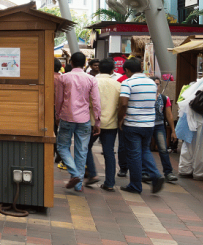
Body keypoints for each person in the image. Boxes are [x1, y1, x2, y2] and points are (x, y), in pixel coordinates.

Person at [54, 52, 101, 192]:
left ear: (71, 63)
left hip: (67, 118)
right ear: (85, 63)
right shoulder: (91, 79)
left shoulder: (64, 78)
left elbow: (59, 99)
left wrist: (57, 116)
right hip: (84, 119)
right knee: (82, 151)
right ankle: (78, 185)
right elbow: (96, 102)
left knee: (62, 147)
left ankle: (74, 174)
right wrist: (97, 121)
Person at [117, 57, 165, 194]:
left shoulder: (128, 82)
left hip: (133, 123)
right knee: (145, 150)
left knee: (134, 155)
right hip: (149, 124)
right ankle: (155, 175)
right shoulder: (151, 83)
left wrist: (120, 119)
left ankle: (135, 185)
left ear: (127, 70)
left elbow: (124, 103)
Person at [175, 63, 203, 180]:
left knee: (188, 144)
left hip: (189, 117)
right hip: (201, 119)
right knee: (201, 146)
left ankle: (185, 170)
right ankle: (199, 173)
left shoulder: (200, 82)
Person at [86, 58, 121, 191]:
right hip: (111, 123)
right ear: (113, 70)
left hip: (93, 122)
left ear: (99, 68)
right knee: (109, 152)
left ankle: (93, 173)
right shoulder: (117, 85)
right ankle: (110, 182)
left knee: (85, 147)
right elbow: (121, 104)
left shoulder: (93, 82)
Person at [151, 75, 179, 183]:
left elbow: (169, 115)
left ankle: (168, 172)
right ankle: (144, 171)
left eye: (157, 84)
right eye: (153, 84)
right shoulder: (145, 97)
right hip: (146, 125)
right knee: (144, 149)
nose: (155, 86)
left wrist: (173, 131)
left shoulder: (164, 98)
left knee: (163, 149)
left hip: (159, 126)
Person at [54, 58, 65, 168]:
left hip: (49, 108)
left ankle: (57, 153)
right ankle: (60, 154)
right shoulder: (61, 78)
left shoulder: (47, 77)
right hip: (62, 109)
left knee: (52, 132)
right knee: (60, 133)